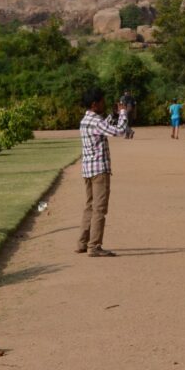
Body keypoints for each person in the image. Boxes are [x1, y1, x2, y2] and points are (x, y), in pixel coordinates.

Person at [76, 87, 128, 258]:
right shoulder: (96, 122)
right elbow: (119, 131)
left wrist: (113, 115)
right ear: (94, 104)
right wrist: (123, 113)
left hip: (88, 170)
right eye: (102, 101)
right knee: (100, 209)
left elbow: (104, 126)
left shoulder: (86, 120)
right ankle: (94, 246)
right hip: (100, 171)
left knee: (89, 206)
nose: (104, 103)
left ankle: (82, 243)